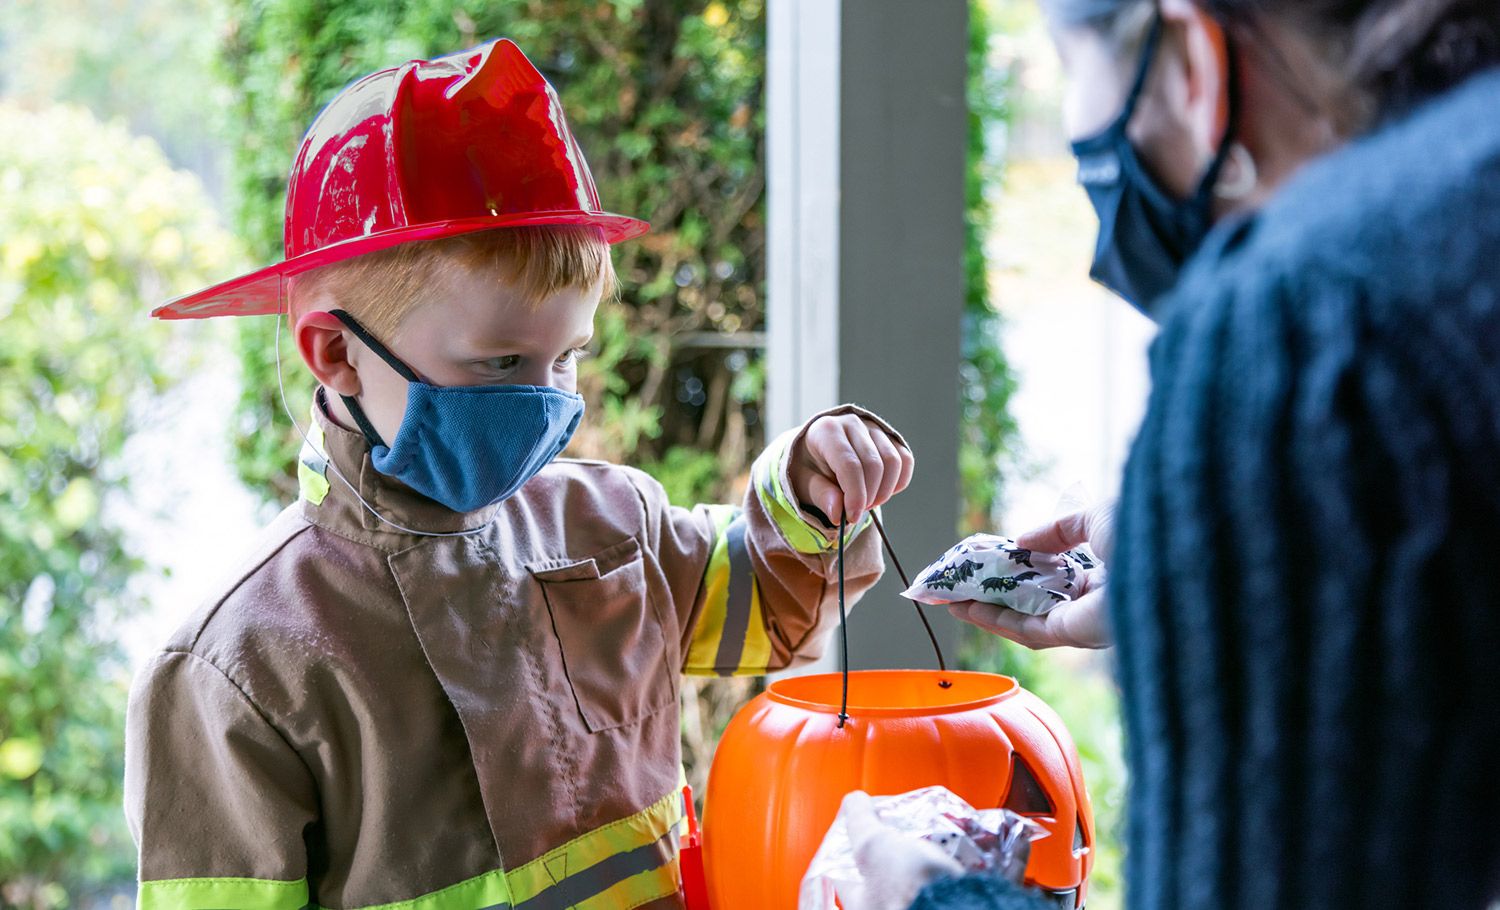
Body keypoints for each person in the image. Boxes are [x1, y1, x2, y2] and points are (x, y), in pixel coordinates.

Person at [123, 40, 914, 910]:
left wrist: (808, 489)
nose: (544, 405)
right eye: (500, 364)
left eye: (566, 358)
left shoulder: (612, 524)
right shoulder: (235, 668)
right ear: (337, 352)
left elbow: (771, 601)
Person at [904, 0, 1500, 907]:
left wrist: (926, 899)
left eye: (1081, 98)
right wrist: (1232, 573)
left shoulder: (1309, 332)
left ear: (1190, 61)